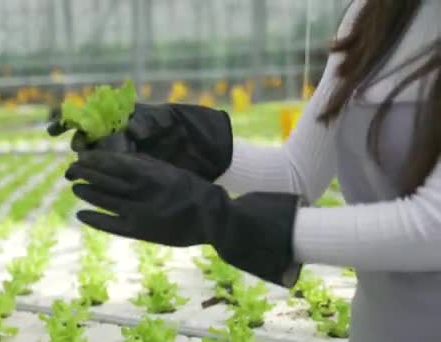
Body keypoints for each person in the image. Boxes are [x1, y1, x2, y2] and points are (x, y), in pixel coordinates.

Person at [48, 1, 441, 341]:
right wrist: (186, 141)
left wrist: (219, 218)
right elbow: (297, 174)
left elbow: (432, 228)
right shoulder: (374, 13)